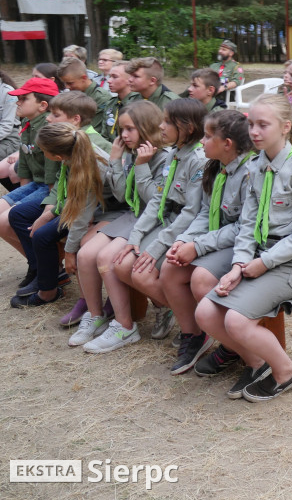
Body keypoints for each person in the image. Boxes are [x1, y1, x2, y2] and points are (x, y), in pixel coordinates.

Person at [195, 93, 292, 401]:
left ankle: (286, 371)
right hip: (260, 255)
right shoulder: (256, 166)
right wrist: (239, 265)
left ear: (285, 127)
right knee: (206, 312)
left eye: (262, 125)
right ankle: (258, 364)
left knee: (235, 320)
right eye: (251, 124)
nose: (254, 131)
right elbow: (247, 225)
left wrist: (263, 263)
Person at [86, 100, 206, 352]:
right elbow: (155, 202)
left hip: (182, 227)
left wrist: (154, 245)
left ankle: (197, 324)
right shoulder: (174, 154)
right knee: (121, 263)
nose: (162, 126)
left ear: (186, 127)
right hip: (160, 220)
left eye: (167, 122)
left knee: (132, 267)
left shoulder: (189, 158)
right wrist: (136, 237)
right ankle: (189, 319)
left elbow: (186, 211)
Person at [159, 110, 256, 374]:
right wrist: (184, 240)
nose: (202, 142)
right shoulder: (216, 167)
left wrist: (198, 247)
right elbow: (205, 211)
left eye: (208, 136)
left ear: (228, 144)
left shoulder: (250, 172)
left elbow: (243, 227)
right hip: (218, 239)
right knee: (169, 269)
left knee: (201, 278)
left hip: (245, 245)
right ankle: (195, 336)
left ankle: (232, 346)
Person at [67, 101, 168, 348]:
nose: (123, 135)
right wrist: (115, 160)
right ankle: (96, 316)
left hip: (155, 219)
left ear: (147, 128)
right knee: (85, 254)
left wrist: (143, 165)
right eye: (122, 129)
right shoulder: (133, 154)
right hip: (134, 215)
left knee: (106, 258)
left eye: (130, 129)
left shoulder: (163, 157)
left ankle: (125, 326)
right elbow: (123, 196)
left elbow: (154, 202)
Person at [9, 123, 104, 308]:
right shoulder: (70, 156)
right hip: (76, 204)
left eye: (43, 151)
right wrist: (49, 213)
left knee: (42, 236)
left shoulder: (87, 165)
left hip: (99, 210)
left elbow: (82, 214)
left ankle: (48, 291)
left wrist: (69, 251)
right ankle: (43, 274)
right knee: (21, 217)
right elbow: (67, 194)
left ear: (57, 156)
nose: (43, 154)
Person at [0, 77, 60, 294]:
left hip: (50, 187)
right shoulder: (27, 126)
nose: (18, 103)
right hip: (37, 184)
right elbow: (25, 170)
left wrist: (40, 208)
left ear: (43, 105)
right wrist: (20, 199)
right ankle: (35, 265)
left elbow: (52, 177)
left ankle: (46, 270)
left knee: (9, 219)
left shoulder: (48, 128)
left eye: (24, 99)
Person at [57, 57, 112, 133]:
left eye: (70, 83)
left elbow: (94, 130)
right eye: (64, 83)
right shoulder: (71, 94)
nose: (66, 87)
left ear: (84, 78)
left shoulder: (100, 98)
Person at [98, 61, 139, 143]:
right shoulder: (111, 104)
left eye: (114, 77)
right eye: (109, 76)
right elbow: (104, 136)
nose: (109, 81)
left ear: (129, 79)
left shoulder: (138, 104)